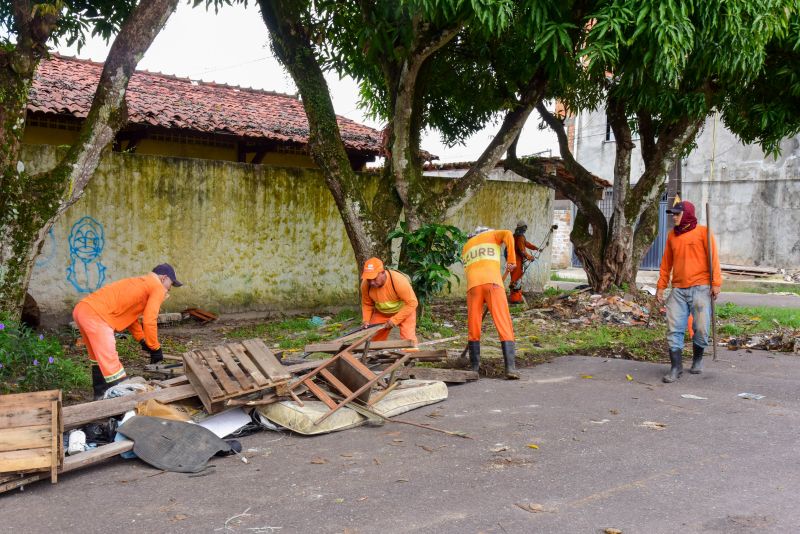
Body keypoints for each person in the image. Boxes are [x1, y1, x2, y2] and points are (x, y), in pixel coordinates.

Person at [73, 264, 183, 399]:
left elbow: (130, 317)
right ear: (164, 278)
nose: (170, 289)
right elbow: (150, 320)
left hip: (82, 309)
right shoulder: (157, 287)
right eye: (171, 284)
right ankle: (124, 408)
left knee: (98, 359)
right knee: (111, 363)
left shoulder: (139, 283)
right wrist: (155, 348)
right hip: (97, 315)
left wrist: (142, 340)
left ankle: (100, 396)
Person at [656, 201, 721, 383]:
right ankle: (676, 367)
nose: (674, 217)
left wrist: (716, 283)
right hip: (678, 289)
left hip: (701, 287)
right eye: (673, 214)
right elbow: (666, 263)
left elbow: (713, 258)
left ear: (687, 214)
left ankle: (697, 360)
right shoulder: (672, 236)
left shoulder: (703, 232)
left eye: (677, 214)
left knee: (700, 327)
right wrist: (661, 286)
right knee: (673, 328)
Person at [462, 226, 519, 379]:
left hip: (473, 286)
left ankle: (474, 368)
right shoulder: (493, 235)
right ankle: (510, 369)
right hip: (493, 283)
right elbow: (508, 234)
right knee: (503, 322)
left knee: (474, 324)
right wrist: (511, 260)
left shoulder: (466, 246)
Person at [360, 257, 418, 345]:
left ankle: (410, 356)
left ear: (383, 272)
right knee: (373, 340)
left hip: (404, 311)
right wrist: (366, 320)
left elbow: (412, 303)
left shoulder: (398, 281)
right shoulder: (365, 285)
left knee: (408, 340)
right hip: (382, 313)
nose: (371, 282)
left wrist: (394, 320)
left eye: (374, 278)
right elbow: (367, 304)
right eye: (369, 279)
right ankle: (375, 356)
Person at [509, 220, 539, 304]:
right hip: (516, 261)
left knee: (515, 278)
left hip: (512, 260)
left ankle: (515, 297)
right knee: (516, 279)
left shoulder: (515, 236)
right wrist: (530, 257)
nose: (525, 230)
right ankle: (515, 299)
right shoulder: (520, 237)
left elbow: (526, 244)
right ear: (522, 228)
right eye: (525, 228)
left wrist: (536, 248)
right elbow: (522, 250)